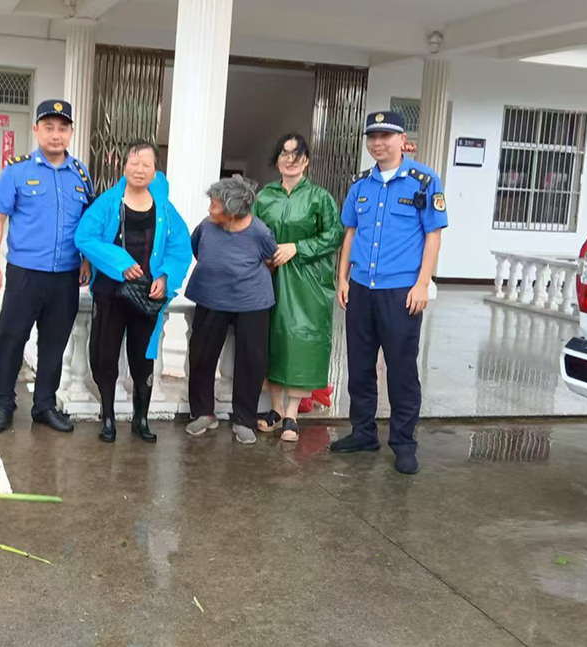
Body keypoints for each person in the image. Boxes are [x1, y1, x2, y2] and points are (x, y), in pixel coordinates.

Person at [330, 111, 448, 475]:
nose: (378, 143)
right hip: (362, 289)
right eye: (372, 137)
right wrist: (343, 278)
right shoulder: (360, 184)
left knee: (400, 369)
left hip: (401, 292)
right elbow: (350, 233)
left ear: (401, 139)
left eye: (385, 136)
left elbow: (433, 235)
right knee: (360, 367)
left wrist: (423, 283)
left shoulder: (424, 181)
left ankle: (403, 442)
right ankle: (363, 432)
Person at [0, 100, 94, 434]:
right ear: (36, 130)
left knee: (54, 343)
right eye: (49, 127)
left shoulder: (81, 173)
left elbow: (89, 223)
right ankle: (2, 404)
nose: (56, 135)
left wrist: (87, 260)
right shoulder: (18, 170)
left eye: (63, 128)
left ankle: (44, 405)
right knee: (11, 338)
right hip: (25, 273)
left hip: (65, 276)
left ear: (71, 132)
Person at [75, 141, 192, 444]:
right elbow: (84, 237)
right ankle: (108, 418)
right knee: (105, 354)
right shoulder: (107, 202)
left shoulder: (164, 207)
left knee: (143, 359)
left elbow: (181, 247)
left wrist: (166, 277)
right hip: (110, 293)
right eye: (134, 162)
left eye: (147, 164)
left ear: (155, 170)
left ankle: (141, 419)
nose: (139, 169)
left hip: (147, 297)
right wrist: (120, 263)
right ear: (123, 165)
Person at [253, 134, 342, 442]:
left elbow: (334, 235)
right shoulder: (264, 197)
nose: (289, 159)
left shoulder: (319, 197)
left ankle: (292, 413)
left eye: (296, 154)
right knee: (270, 340)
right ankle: (275, 409)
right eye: (284, 154)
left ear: (305, 160)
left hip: (308, 280)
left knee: (300, 342)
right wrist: (264, 256)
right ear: (277, 160)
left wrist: (298, 247)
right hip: (270, 276)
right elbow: (250, 232)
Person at [185, 176, 277, 445]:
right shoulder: (206, 226)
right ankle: (203, 413)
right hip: (210, 297)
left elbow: (271, 259)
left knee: (251, 360)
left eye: (214, 205)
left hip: (252, 302)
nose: (209, 209)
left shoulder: (259, 232)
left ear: (233, 211)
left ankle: (244, 418)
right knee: (201, 355)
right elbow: (197, 249)